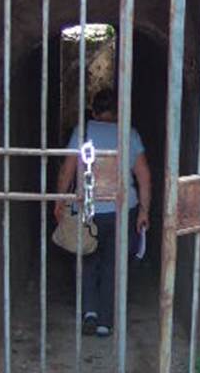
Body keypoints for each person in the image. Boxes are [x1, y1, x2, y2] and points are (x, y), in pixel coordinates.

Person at [54, 87, 151, 337]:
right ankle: (105, 322)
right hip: (121, 210)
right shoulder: (129, 135)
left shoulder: (83, 133)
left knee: (87, 259)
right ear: (117, 113)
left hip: (87, 209)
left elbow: (67, 170)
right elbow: (144, 176)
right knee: (112, 264)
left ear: (94, 111)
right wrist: (144, 210)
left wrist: (60, 201)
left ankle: (90, 312)